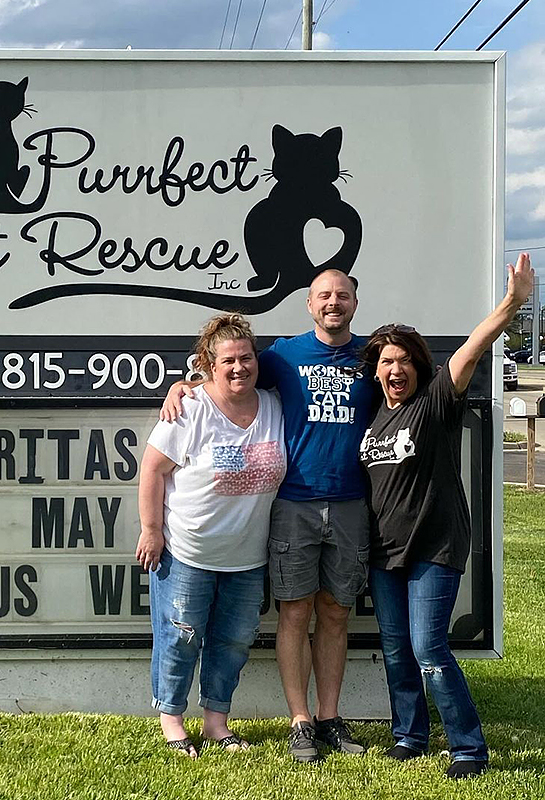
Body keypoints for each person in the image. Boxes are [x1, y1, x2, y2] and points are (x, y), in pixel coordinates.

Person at [162, 270, 374, 762]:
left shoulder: (369, 355)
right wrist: (184, 384)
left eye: (342, 295)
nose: (333, 303)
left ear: (355, 301)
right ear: (309, 303)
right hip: (293, 504)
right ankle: (300, 721)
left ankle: (329, 717)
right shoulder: (283, 354)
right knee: (295, 612)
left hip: (350, 502)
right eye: (324, 295)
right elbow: (230, 372)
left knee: (337, 613)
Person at [359, 252, 534, 780]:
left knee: (429, 647)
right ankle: (409, 736)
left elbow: (471, 348)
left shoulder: (435, 401)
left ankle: (468, 748)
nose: (395, 370)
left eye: (404, 361)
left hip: (434, 545)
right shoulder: (372, 416)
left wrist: (512, 304)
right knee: (395, 649)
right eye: (386, 362)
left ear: (419, 367)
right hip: (384, 552)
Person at [137, 313, 286, 758]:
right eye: (228, 361)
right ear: (209, 363)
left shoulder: (274, 404)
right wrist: (151, 530)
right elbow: (152, 469)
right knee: (181, 636)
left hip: (247, 555)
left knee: (234, 640)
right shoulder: (189, 408)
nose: (239, 367)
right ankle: (171, 719)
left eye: (246, 358)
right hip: (187, 550)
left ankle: (217, 723)